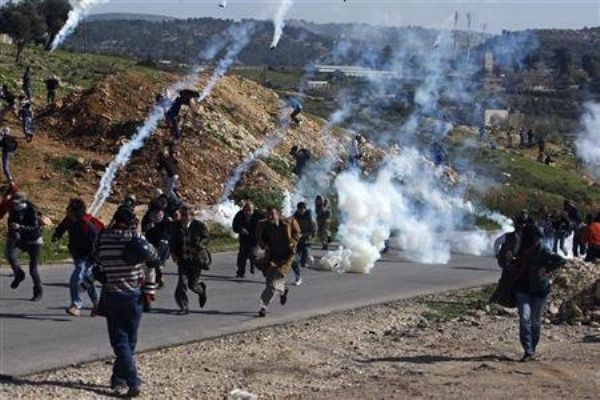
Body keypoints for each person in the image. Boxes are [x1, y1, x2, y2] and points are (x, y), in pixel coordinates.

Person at [92, 206, 159, 397]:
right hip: (134, 295)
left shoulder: (102, 237)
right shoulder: (135, 238)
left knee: (120, 340)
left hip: (112, 294)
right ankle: (128, 380)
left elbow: (95, 258)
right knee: (129, 340)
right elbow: (153, 257)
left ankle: (122, 379)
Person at [511, 222, 565, 362]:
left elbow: (560, 260)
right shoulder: (520, 249)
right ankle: (528, 350)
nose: (535, 241)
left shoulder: (543, 250)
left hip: (540, 290)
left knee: (535, 321)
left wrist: (546, 269)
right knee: (525, 318)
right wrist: (511, 260)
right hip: (522, 289)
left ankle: (532, 349)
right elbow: (515, 264)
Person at [53, 198, 102, 317]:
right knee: (86, 279)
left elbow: (97, 237)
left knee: (77, 276)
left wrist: (95, 255)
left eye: (69, 209)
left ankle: (76, 305)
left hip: (88, 255)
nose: (66, 210)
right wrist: (56, 235)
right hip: (77, 254)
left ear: (76, 212)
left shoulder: (86, 223)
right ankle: (98, 304)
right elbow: (61, 228)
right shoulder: (68, 220)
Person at [256, 206, 301, 317]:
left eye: (272, 214)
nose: (270, 216)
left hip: (286, 257)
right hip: (273, 257)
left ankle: (263, 306)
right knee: (269, 281)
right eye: (268, 214)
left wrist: (293, 243)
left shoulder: (288, 222)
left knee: (272, 284)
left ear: (278, 215)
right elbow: (258, 236)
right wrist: (264, 245)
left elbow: (297, 232)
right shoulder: (263, 225)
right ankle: (283, 289)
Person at [171, 204, 210, 314]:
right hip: (183, 259)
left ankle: (201, 290)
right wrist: (173, 253)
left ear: (192, 216)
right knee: (181, 284)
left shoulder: (199, 226)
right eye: (182, 214)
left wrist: (198, 247)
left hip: (196, 260)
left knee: (192, 285)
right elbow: (172, 241)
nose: (184, 217)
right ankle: (184, 307)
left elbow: (206, 238)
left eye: (187, 215)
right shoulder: (176, 226)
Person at [6, 192, 43, 301]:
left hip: (35, 242)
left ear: (24, 202)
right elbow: (11, 225)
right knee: (11, 256)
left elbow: (34, 228)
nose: (15, 206)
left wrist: (20, 227)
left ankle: (38, 292)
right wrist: (13, 232)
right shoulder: (13, 211)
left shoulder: (32, 211)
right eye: (13, 203)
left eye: (17, 203)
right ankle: (19, 274)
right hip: (22, 241)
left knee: (33, 269)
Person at [141, 195, 172, 289]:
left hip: (157, 242)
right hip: (159, 242)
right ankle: (157, 278)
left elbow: (143, 227)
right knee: (156, 262)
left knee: (154, 262)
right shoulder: (165, 216)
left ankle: (155, 279)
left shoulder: (151, 216)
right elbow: (144, 227)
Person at [232, 201, 262, 278]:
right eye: (246, 209)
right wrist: (240, 229)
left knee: (253, 254)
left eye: (249, 210)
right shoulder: (240, 215)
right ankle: (240, 272)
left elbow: (265, 225)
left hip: (255, 239)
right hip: (244, 239)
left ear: (253, 209)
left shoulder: (259, 215)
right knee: (242, 256)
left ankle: (253, 264)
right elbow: (235, 226)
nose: (247, 212)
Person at [291, 202, 316, 286]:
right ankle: (298, 278)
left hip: (307, 242)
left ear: (305, 209)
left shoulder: (310, 219)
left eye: (302, 208)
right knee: (295, 260)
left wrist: (303, 235)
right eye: (299, 209)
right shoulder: (294, 217)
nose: (301, 210)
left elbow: (313, 232)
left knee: (303, 262)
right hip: (297, 242)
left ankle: (309, 256)